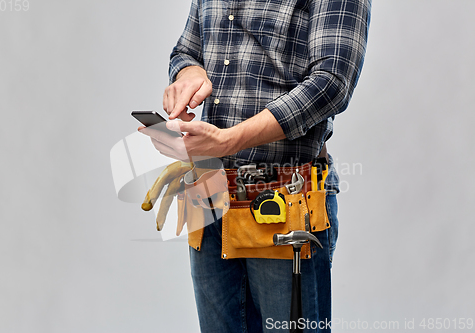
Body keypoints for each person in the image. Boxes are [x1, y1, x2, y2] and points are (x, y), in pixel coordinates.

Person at [143, 0, 371, 331]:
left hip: (287, 201)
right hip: (210, 195)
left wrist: (228, 141)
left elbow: (331, 83)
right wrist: (189, 74)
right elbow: (186, 51)